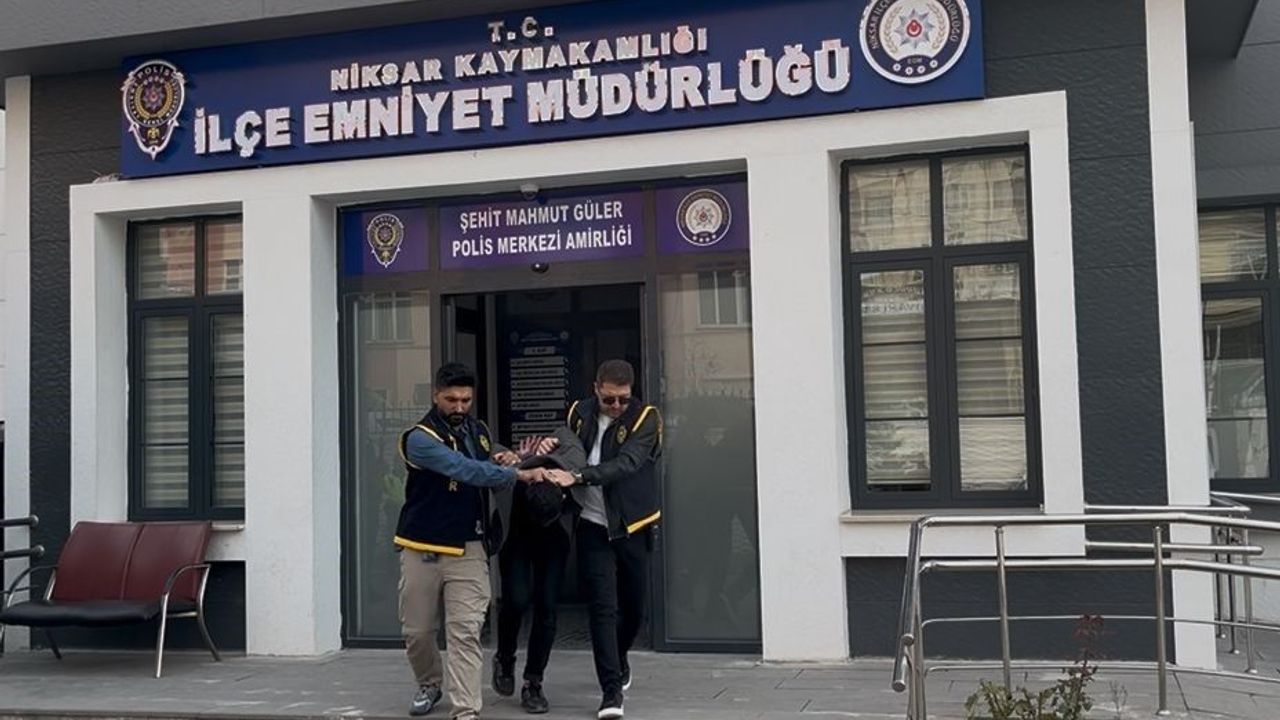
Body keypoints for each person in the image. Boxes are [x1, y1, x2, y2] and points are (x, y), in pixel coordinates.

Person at [396, 362, 548, 720]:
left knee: (465, 632)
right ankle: (429, 683)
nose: (460, 407)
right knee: (418, 632)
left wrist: (512, 457)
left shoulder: (478, 431)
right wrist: (516, 473)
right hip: (422, 547)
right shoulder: (418, 438)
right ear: (436, 395)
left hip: (469, 546)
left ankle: (466, 711)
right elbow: (463, 469)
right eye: (451, 400)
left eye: (466, 400)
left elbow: (487, 462)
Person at [545, 359, 663, 720]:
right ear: (596, 388)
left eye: (623, 399)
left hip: (631, 526)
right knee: (602, 608)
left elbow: (627, 463)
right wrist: (551, 449)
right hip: (592, 525)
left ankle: (620, 655)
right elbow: (568, 452)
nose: (616, 406)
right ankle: (611, 692)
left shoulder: (645, 419)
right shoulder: (578, 414)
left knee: (634, 609)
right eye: (609, 399)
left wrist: (579, 477)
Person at [491, 426, 586, 714]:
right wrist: (508, 456)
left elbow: (569, 436)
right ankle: (505, 658)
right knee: (516, 600)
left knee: (547, 609)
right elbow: (487, 450)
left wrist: (554, 439)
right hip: (517, 538)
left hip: (554, 544)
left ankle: (533, 681)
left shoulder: (568, 468)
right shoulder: (518, 479)